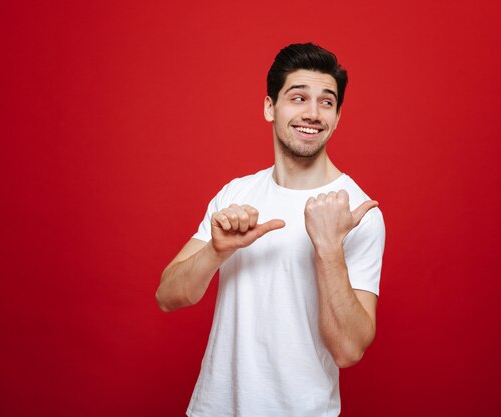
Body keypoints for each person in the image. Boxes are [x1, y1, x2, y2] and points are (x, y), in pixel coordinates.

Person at [156, 42, 386, 417]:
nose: (313, 114)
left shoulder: (356, 212)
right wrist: (217, 251)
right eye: (298, 98)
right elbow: (168, 296)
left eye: (326, 102)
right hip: (214, 409)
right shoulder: (236, 194)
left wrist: (328, 248)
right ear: (269, 108)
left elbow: (347, 351)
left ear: (338, 116)